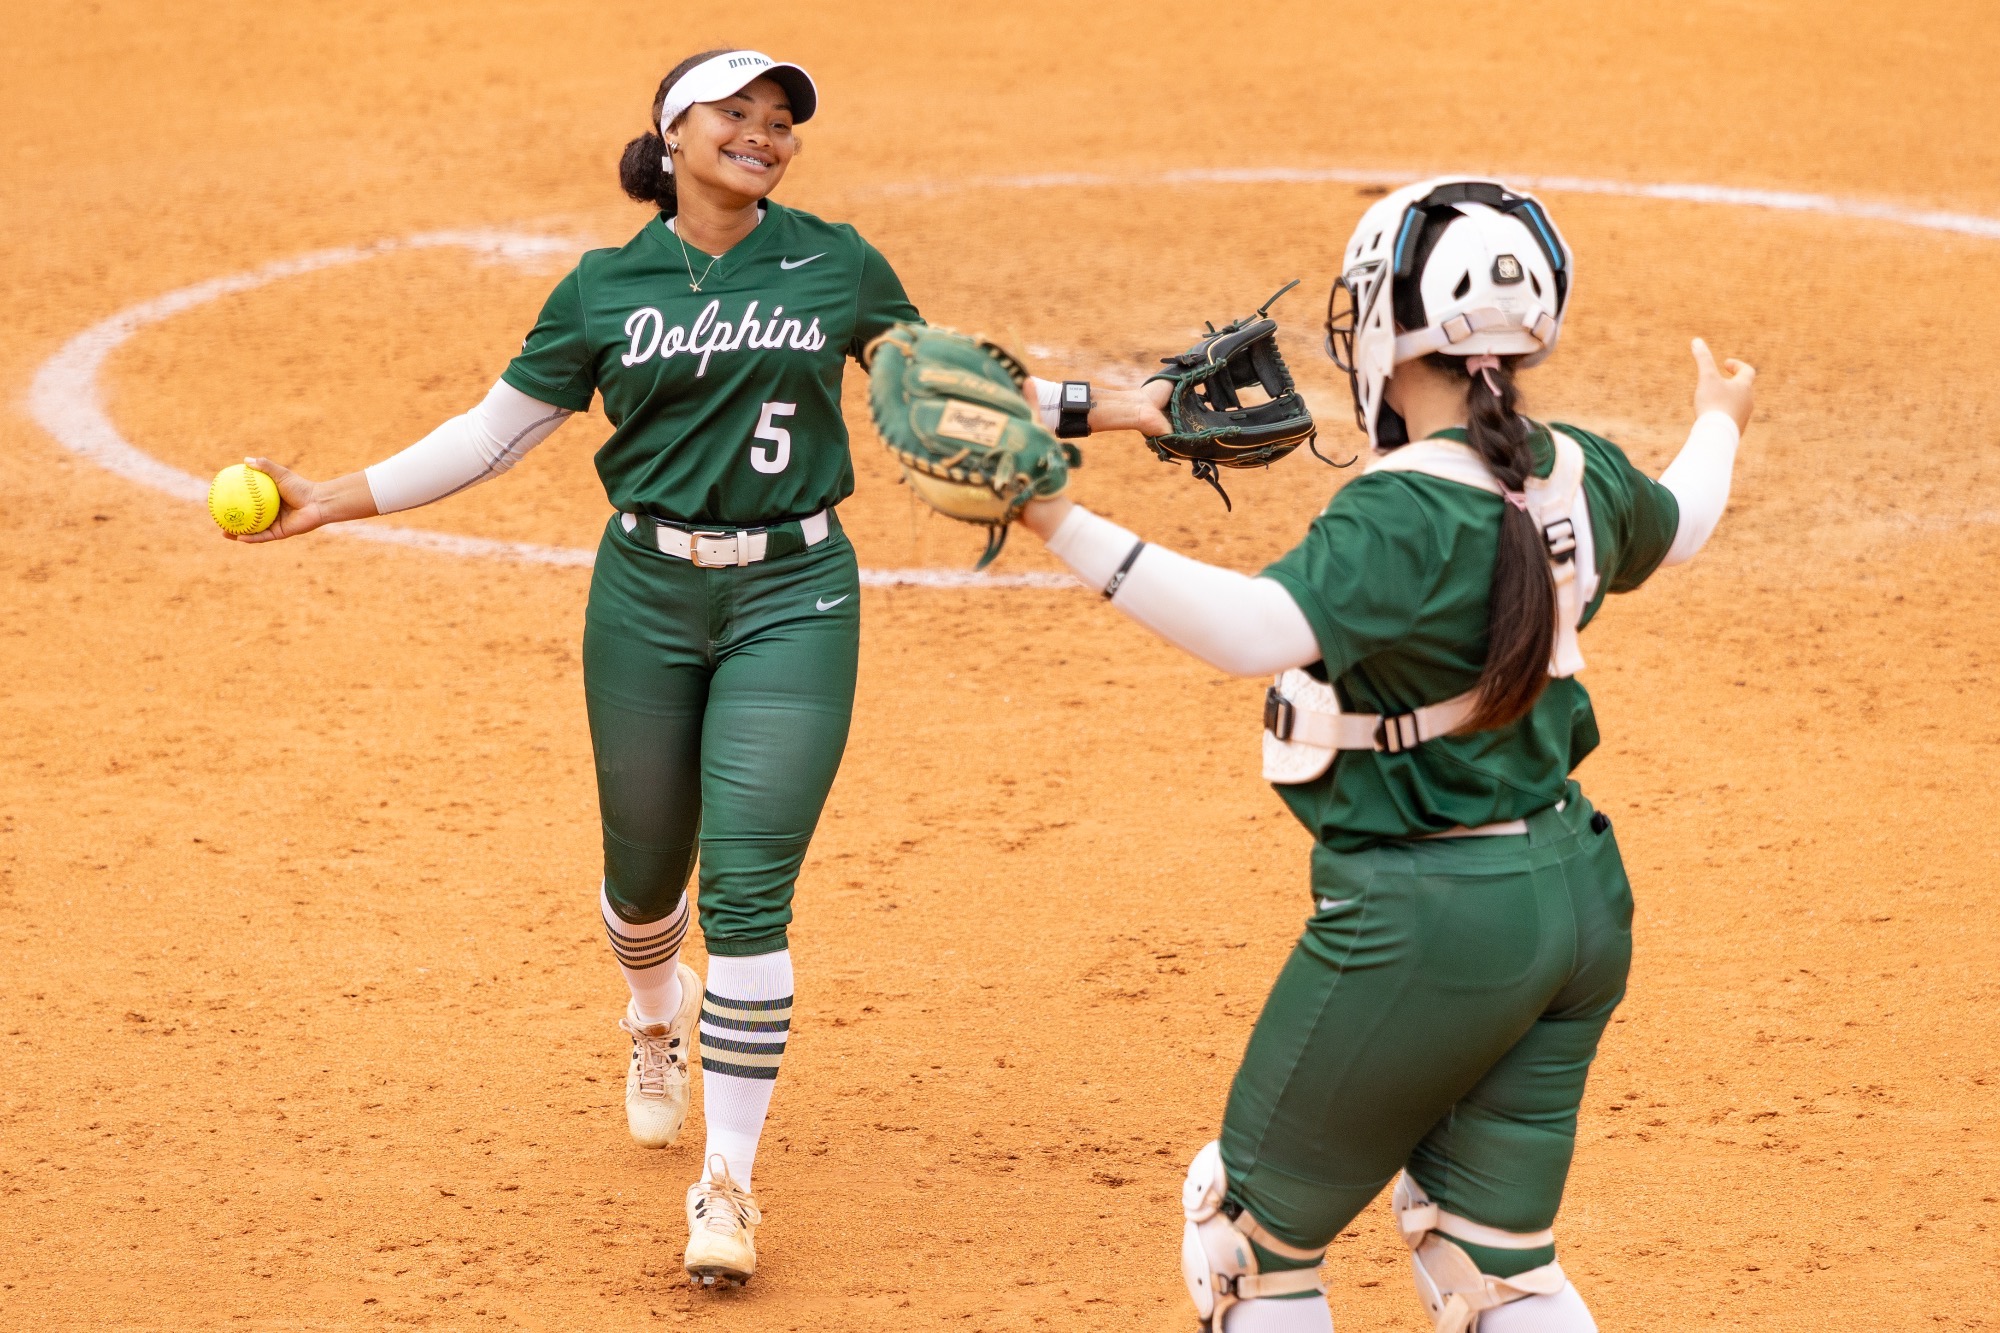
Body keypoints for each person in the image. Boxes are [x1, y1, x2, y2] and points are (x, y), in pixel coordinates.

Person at [223, 47, 1159, 1287]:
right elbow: (493, 435)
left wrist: (1130, 404)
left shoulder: (836, 261)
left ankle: (727, 1184)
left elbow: (956, 388)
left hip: (795, 594)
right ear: (672, 135)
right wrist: (329, 499)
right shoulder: (602, 288)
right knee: (641, 883)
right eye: (737, 113)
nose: (764, 133)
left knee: (750, 894)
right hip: (645, 598)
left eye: (781, 120)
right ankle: (652, 1018)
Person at [1013, 177, 1756, 1331]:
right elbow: (1687, 516)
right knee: (1488, 1258)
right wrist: (1718, 414)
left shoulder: (1402, 510)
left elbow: (1252, 633)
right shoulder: (1578, 468)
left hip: (1431, 916)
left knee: (1246, 1241)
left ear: (1380, 323)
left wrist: (1049, 516)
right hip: (1574, 900)